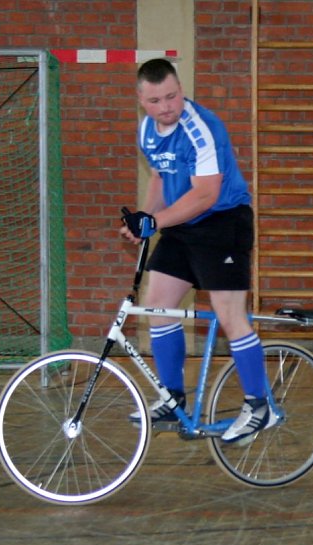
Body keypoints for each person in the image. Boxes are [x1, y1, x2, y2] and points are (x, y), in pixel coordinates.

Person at [120, 58, 273, 443]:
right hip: (181, 224)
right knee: (157, 307)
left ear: (181, 90)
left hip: (222, 222)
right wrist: (145, 219)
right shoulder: (147, 131)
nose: (166, 107)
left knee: (229, 315)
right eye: (155, 100)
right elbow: (159, 176)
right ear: (141, 99)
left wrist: (158, 222)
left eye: (172, 96)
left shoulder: (202, 129)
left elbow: (206, 194)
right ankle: (172, 399)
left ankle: (260, 405)